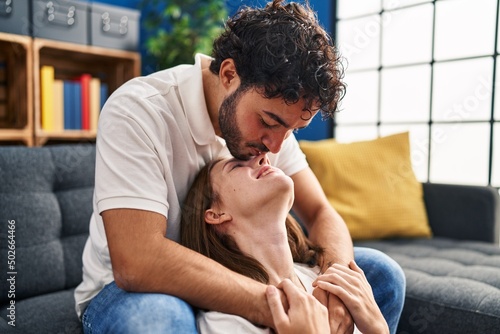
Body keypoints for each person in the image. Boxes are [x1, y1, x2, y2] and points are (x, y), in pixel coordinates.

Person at [75, 0, 406, 333]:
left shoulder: (274, 123)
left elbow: (320, 212)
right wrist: (285, 305)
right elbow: (138, 261)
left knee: (378, 273)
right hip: (139, 288)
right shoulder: (139, 111)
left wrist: (333, 288)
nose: (276, 146)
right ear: (229, 74)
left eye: (291, 131)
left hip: (246, 269)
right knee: (160, 319)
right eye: (269, 121)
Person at [180, 154, 389, 334]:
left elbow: (322, 211)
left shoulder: (329, 284)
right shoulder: (228, 322)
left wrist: (379, 329)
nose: (263, 157)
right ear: (216, 214)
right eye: (236, 166)